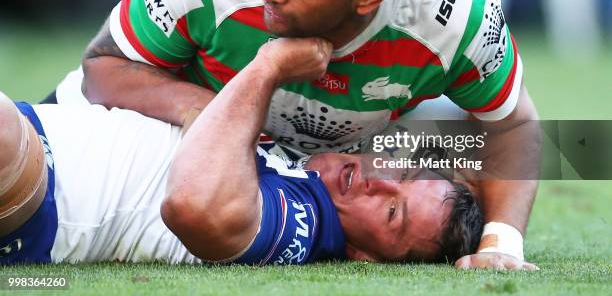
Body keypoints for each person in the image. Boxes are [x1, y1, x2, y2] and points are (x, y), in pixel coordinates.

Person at [51, 0, 540, 268]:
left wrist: (501, 241)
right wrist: (221, 115)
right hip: (125, 150)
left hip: (288, 184)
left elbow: (512, 124)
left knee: (460, 152)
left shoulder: (453, 13)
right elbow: (103, 70)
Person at [0, 37, 492, 266]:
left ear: (366, 256)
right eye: (400, 176)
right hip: (39, 130)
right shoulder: (314, 161)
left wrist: (269, 65)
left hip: (43, 195)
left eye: (391, 212)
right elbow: (99, 79)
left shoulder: (306, 223)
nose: (376, 182)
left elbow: (191, 202)